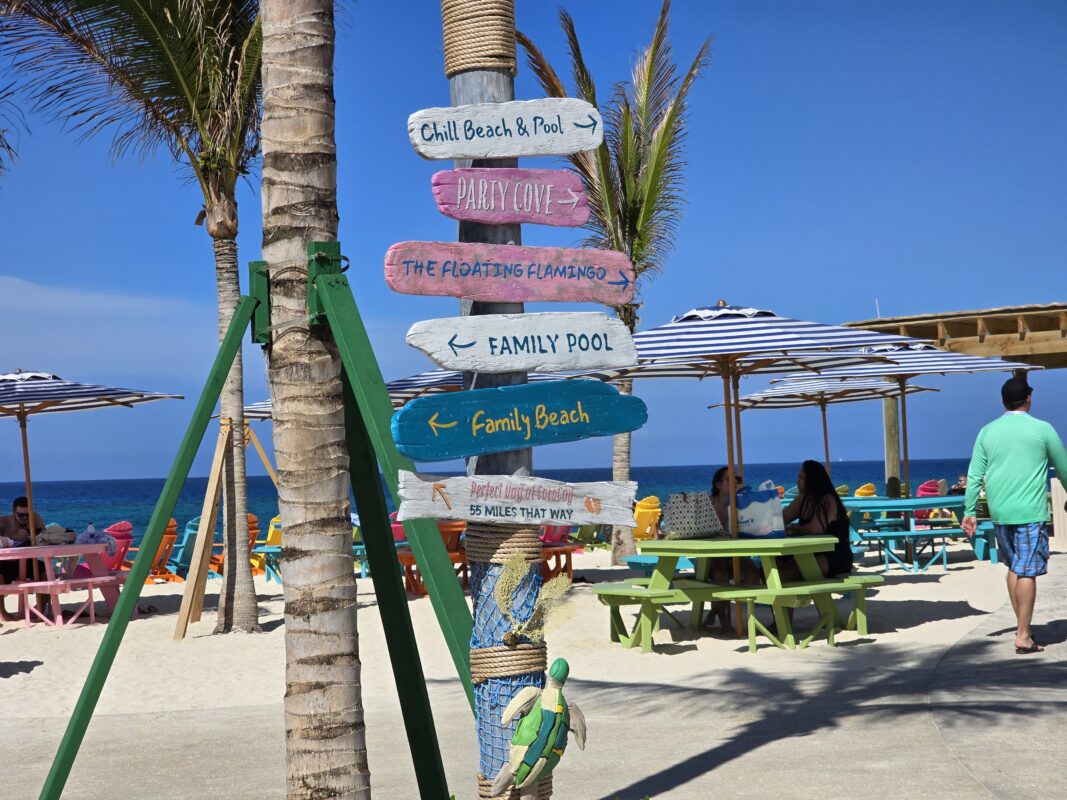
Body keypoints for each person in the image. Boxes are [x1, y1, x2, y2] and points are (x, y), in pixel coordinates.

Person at [962, 377, 1067, 654]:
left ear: (1002, 401)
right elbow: (1064, 467)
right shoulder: (1042, 429)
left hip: (1000, 512)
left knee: (1014, 567)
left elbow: (974, 475)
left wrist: (970, 511)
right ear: (1029, 398)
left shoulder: (987, 431)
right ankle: (1023, 634)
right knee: (1027, 571)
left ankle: (1024, 626)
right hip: (1030, 511)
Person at [779, 460, 854, 580]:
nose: (797, 481)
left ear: (812, 480)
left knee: (783, 574)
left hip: (834, 555)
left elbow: (816, 529)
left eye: (801, 478)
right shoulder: (803, 498)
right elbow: (784, 517)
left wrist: (795, 528)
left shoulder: (827, 499)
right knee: (774, 566)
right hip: (808, 552)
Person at [0, 497, 47, 622]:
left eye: (27, 515)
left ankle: (40, 608)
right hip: (8, 562)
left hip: (29, 561)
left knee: (46, 573)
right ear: (13, 512)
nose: (25, 518)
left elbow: (45, 536)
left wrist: (36, 536)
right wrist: (13, 536)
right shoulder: (5, 522)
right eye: (21, 515)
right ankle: (2, 612)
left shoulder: (35, 519)